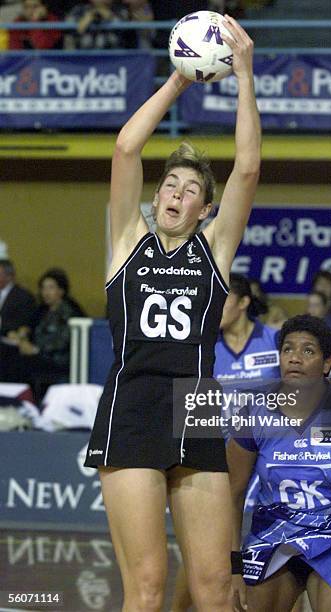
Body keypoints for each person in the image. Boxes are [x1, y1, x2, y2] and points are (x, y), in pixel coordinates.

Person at [84, 15, 260, 612]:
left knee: (213, 587)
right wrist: (179, 82)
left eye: (189, 190)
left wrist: (244, 76)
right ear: (156, 196)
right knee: (149, 587)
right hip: (133, 398)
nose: (175, 194)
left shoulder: (215, 250)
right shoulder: (127, 238)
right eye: (169, 185)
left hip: (198, 401)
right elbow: (125, 147)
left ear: (206, 209)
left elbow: (249, 168)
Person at [228, 315, 331, 612]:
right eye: (288, 349)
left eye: (308, 351)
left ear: (327, 364)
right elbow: (232, 494)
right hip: (273, 534)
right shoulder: (253, 413)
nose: (295, 359)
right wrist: (234, 567)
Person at [171, 273, 280, 612]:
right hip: (216, 457)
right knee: (206, 548)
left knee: (281, 552)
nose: (214, 307)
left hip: (264, 457)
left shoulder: (275, 342)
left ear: (244, 302)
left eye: (223, 299)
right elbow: (188, 405)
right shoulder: (204, 346)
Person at [6, 268, 83, 401]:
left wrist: (36, 349)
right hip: (40, 358)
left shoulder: (69, 313)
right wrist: (21, 335)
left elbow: (62, 341)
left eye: (51, 288)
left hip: (57, 361)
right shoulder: (42, 311)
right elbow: (30, 328)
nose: (46, 293)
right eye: (43, 288)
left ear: (61, 290)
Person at [65, 0, 132, 50]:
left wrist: (109, 16)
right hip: (85, 58)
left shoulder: (121, 10)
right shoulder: (79, 10)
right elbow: (70, 30)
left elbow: (125, 29)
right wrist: (88, 17)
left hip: (114, 59)